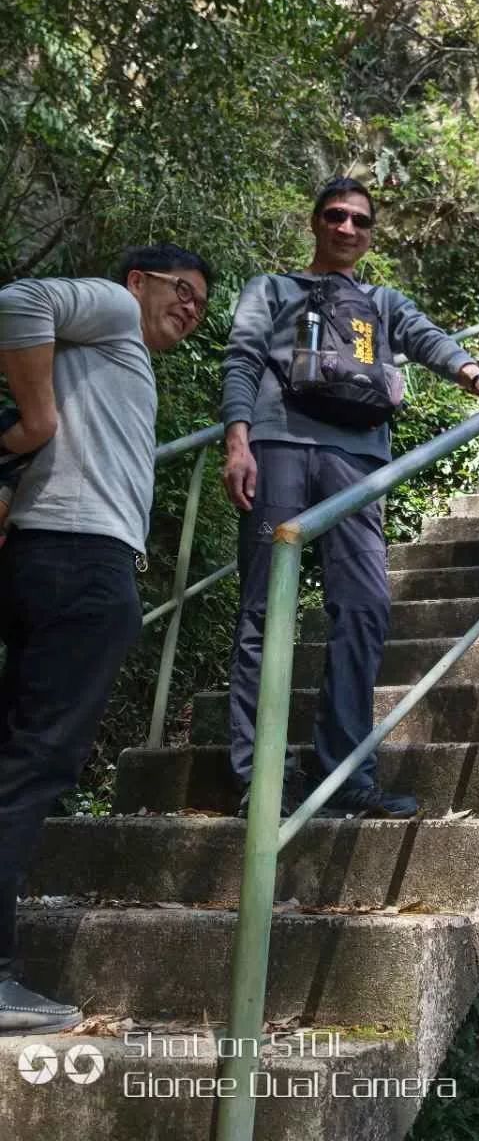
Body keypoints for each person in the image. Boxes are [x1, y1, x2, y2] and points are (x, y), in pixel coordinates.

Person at [222, 178, 479, 821]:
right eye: (335, 215)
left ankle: (345, 775)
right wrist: (238, 442)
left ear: (370, 233)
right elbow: (243, 359)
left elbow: (428, 339)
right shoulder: (271, 288)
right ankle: (256, 777)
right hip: (277, 447)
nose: (347, 228)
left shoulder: (382, 302)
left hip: (360, 462)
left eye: (360, 220)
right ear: (315, 222)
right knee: (262, 613)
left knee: (364, 607)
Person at [0, 243, 212, 1033]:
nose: (190, 309)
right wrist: (37, 419)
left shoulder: (110, 360)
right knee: (33, 767)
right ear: (138, 283)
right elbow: (20, 298)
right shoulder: (116, 312)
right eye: (182, 290)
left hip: (49, 557)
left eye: (200, 304)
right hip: (81, 563)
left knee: (16, 757)